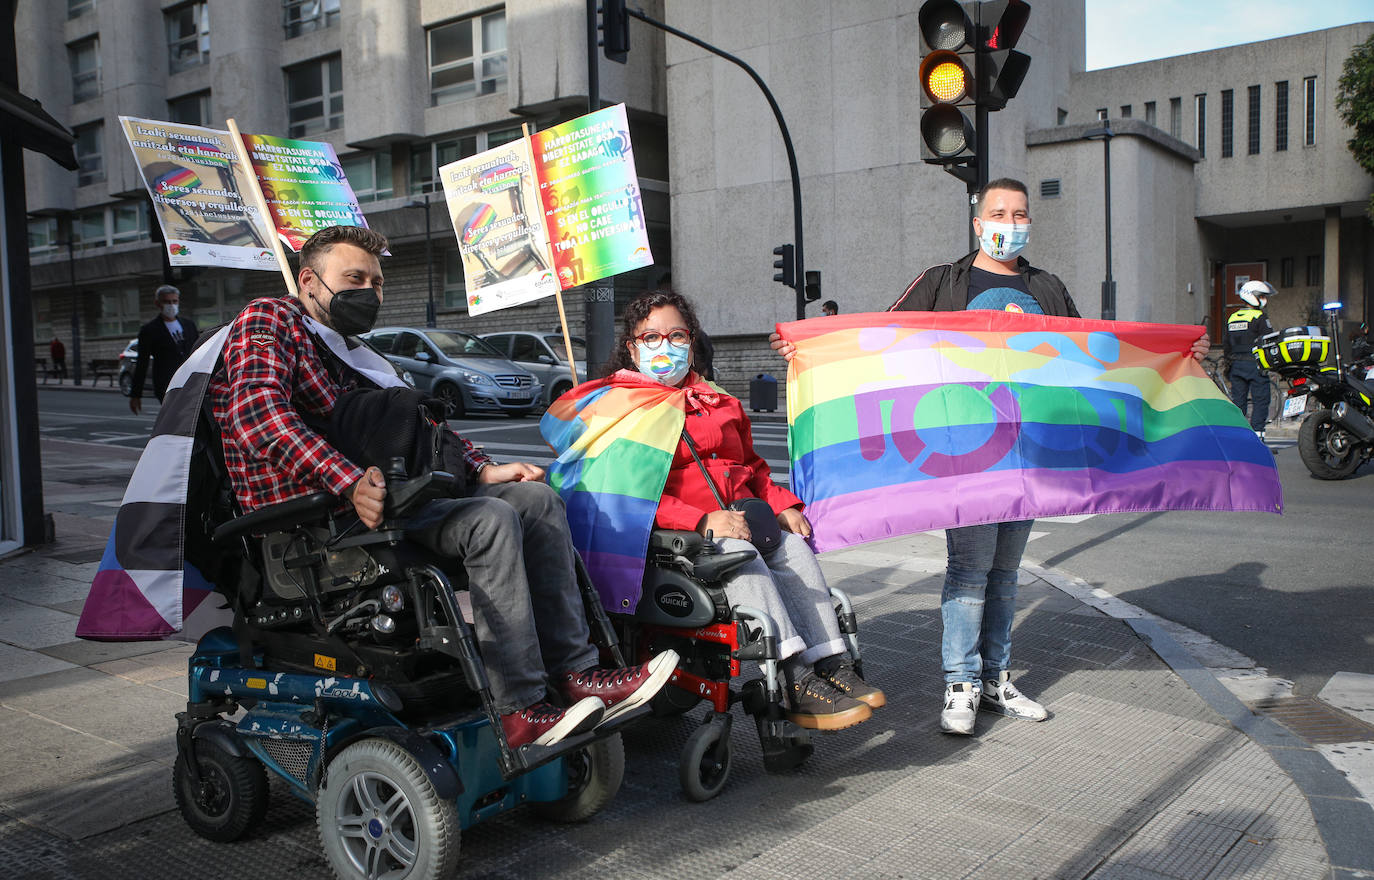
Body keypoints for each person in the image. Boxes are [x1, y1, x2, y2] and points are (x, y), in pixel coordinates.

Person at [208, 225, 676, 750]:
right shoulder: (270, 319)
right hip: (310, 522)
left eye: (378, 282)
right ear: (310, 281)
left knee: (537, 500)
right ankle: (520, 708)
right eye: (355, 278)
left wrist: (482, 469)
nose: (370, 292)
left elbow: (420, 425)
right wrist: (346, 481)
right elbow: (256, 416)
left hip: (391, 503)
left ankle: (575, 673)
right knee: (490, 521)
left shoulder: (357, 351)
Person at [772, 177, 1209, 737]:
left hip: (1029, 456)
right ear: (978, 223)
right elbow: (881, 340)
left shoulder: (1047, 288)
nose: (1009, 222)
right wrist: (807, 346)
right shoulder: (943, 282)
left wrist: (1174, 351)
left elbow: (1091, 355)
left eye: (1019, 213)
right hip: (966, 457)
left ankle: (996, 679)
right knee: (969, 570)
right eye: (998, 213)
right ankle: (960, 683)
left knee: (1005, 575)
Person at [593, 289, 885, 731]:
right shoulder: (620, 409)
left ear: (690, 341)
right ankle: (795, 678)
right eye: (650, 337)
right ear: (632, 348)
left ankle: (832, 663)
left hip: (743, 518)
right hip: (684, 534)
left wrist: (781, 504)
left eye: (675, 335)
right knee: (742, 556)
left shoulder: (719, 401)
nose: (664, 346)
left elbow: (751, 467)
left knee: (794, 550)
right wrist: (702, 519)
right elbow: (622, 493)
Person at [130, 285, 199, 414]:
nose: (171, 305)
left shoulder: (189, 325)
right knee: (175, 417)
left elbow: (198, 352)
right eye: (167, 302)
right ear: (158, 303)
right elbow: (142, 363)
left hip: (190, 381)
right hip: (166, 384)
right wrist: (136, 394)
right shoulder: (150, 330)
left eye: (174, 301)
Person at [1223, 280, 1277, 439]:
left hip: (1236, 365)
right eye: (1261, 296)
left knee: (1239, 403)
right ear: (1251, 296)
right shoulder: (1259, 317)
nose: (1264, 300)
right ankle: (1258, 436)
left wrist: (1228, 366)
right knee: (1261, 400)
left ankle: (1238, 436)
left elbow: (1226, 345)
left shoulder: (1232, 318)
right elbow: (1268, 341)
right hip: (1255, 365)